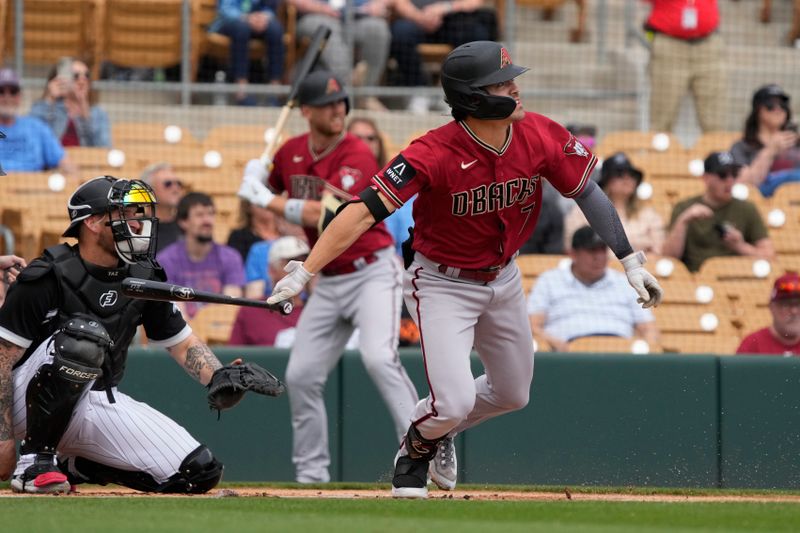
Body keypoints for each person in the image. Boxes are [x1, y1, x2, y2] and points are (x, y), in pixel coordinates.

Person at [263, 41, 663, 498]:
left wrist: (629, 259)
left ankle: (440, 428)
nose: (516, 89)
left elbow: (587, 193)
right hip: (440, 281)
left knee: (513, 393)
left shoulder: (539, 133)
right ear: (474, 97)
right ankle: (417, 448)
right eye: (503, 83)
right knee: (452, 401)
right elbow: (362, 211)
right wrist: (306, 270)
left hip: (504, 276)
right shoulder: (431, 152)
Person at [0, 176, 277, 494]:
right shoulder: (47, 275)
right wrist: (5, 438)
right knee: (84, 339)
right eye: (125, 213)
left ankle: (75, 465)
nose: (136, 222)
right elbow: (1, 358)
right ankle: (35, 463)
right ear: (91, 221)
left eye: (138, 213)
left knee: (199, 472)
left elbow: (180, 341)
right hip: (24, 405)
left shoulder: (144, 274)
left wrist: (218, 377)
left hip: (96, 400)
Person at [237, 69, 419, 483]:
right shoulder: (291, 151)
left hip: (371, 269)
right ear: (306, 111)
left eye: (341, 102)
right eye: (327, 103)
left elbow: (330, 214)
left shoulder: (356, 152)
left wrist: (267, 197)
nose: (337, 109)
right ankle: (311, 475)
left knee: (379, 357)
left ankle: (422, 451)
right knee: (301, 375)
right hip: (327, 277)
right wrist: (256, 175)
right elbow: (267, 191)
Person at [528, 226, 659, 352]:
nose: (599, 257)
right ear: (573, 254)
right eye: (592, 251)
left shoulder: (624, 282)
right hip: (569, 355)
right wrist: (555, 344)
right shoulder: (549, 280)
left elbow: (648, 328)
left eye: (603, 250)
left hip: (621, 354)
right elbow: (532, 326)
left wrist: (646, 351)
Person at [662, 151, 774, 272]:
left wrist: (740, 246)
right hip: (695, 281)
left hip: (736, 278)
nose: (730, 181)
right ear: (705, 178)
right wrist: (683, 221)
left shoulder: (747, 209)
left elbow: (770, 257)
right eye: (723, 175)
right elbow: (669, 259)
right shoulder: (684, 208)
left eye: (734, 174)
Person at [389, 0, 496, 114]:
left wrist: (444, 8)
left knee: (475, 33)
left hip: (454, 19)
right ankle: (418, 91)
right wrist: (419, 17)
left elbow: (474, 2)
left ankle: (452, 91)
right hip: (415, 19)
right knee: (400, 32)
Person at [288, 0, 390, 111]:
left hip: (357, 18)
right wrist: (320, 8)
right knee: (329, 30)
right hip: (317, 15)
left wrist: (378, 4)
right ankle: (345, 93)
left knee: (377, 28)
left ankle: (366, 94)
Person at [157, 192, 245, 318]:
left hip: (219, 329)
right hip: (182, 332)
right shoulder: (166, 260)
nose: (207, 220)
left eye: (210, 214)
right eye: (199, 215)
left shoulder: (230, 257)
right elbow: (174, 311)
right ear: (183, 222)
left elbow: (230, 305)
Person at [644, 0, 726, 133]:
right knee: (662, 121)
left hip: (708, 45)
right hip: (670, 46)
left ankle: (716, 154)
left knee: (714, 122)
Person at [564, 152, 665, 255]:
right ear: (606, 181)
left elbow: (659, 251)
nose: (627, 179)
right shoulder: (582, 211)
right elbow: (572, 248)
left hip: (640, 268)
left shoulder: (648, 213)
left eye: (631, 175)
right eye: (619, 174)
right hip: (597, 269)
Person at [348, 117, 415, 255]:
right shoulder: (336, 184)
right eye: (357, 137)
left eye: (371, 138)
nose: (364, 143)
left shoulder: (398, 184)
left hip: (391, 263)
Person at [229, 236, 310, 346]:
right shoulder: (251, 311)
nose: (300, 269)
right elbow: (234, 358)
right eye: (292, 263)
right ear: (272, 270)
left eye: (305, 263)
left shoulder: (318, 311)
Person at [208, 0, 286, 106]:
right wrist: (246, 17)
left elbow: (270, 8)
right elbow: (225, 10)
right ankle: (241, 91)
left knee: (276, 30)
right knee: (241, 29)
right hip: (230, 22)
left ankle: (274, 91)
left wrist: (263, 16)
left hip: (258, 22)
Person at [0, 68, 76, 174]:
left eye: (13, 91)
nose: (7, 97)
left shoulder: (36, 127)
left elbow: (66, 164)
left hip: (34, 187)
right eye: (1, 91)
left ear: (19, 96)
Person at [730, 84, 800, 198]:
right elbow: (746, 185)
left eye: (783, 105)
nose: (778, 109)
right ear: (758, 110)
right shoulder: (741, 147)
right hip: (761, 201)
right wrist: (770, 150)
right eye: (770, 105)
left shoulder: (797, 143)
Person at [29, 57, 111, 147]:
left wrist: (86, 114)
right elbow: (32, 136)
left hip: (85, 160)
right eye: (76, 76)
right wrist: (49, 99)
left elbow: (104, 148)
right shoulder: (47, 107)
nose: (82, 80)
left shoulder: (98, 113)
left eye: (86, 75)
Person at [736, 272, 800, 357]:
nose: (794, 311)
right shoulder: (753, 345)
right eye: (786, 304)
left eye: (799, 304)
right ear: (772, 307)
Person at [140, 163, 185, 252]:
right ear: (149, 191)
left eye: (178, 183)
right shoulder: (137, 228)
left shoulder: (186, 227)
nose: (176, 188)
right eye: (168, 184)